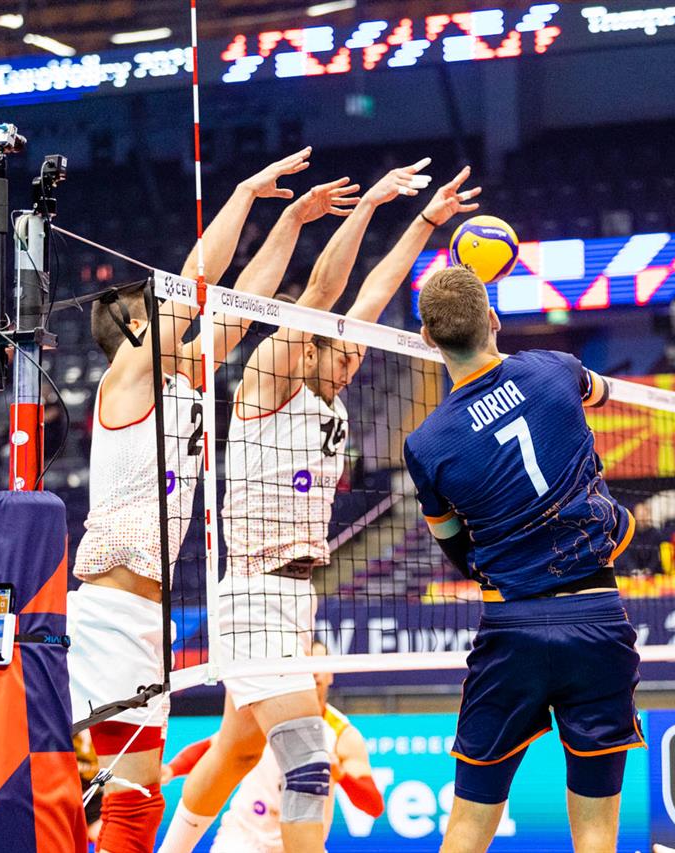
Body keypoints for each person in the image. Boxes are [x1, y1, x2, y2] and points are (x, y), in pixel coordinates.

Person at [160, 162, 480, 853]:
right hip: (253, 590)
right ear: (307, 349)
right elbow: (323, 294)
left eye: (353, 358)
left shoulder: (332, 383)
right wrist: (365, 205)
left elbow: (377, 290)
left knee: (238, 750)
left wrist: (426, 220)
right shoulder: (269, 378)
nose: (350, 364)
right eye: (338, 355)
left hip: (296, 595)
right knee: (308, 759)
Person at [66, 149, 338, 853]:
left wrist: (291, 221)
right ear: (137, 333)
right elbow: (194, 284)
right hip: (106, 611)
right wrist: (243, 192)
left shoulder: (184, 380)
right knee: (83, 793)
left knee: (136, 804)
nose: (185, 327)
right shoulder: (126, 384)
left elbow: (241, 302)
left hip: (147, 620)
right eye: (162, 319)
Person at [401, 264, 641, 853]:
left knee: (467, 826)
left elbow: (455, 546)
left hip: (512, 628)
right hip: (596, 617)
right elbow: (601, 392)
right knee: (596, 835)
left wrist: (500, 562)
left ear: (427, 338)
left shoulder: (425, 445)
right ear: (494, 319)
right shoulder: (553, 368)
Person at [161, 643, 384, 853]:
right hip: (244, 836)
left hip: (300, 843)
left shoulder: (342, 734)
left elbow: (374, 806)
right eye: (307, 663)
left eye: (320, 664)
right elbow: (217, 747)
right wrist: (172, 769)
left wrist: (340, 775)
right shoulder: (269, 712)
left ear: (331, 673)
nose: (314, 671)